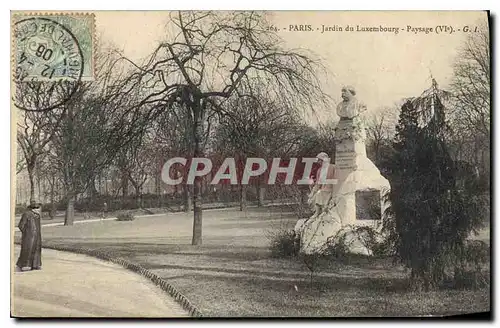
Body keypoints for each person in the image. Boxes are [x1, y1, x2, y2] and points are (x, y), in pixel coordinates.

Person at [16, 200, 42, 272]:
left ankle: (35, 264)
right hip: (28, 237)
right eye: (38, 208)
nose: (39, 210)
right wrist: (27, 233)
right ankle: (25, 265)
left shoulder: (37, 216)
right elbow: (21, 225)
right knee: (28, 250)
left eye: (39, 208)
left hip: (37, 236)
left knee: (37, 250)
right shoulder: (26, 214)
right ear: (33, 209)